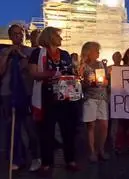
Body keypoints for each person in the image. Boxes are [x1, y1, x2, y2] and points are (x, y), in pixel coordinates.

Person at [29, 27, 81, 175]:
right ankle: (46, 163)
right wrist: (52, 74)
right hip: (47, 98)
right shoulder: (37, 53)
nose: (61, 38)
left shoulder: (64, 54)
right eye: (58, 35)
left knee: (69, 131)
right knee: (46, 132)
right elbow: (34, 73)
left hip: (66, 97)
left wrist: (74, 75)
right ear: (50, 36)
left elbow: (70, 72)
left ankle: (70, 160)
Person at [0, 24, 41, 171]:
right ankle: (18, 156)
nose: (19, 36)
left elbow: (31, 69)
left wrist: (23, 57)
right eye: (16, 34)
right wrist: (7, 55)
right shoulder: (4, 51)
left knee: (30, 126)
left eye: (21, 33)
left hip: (27, 92)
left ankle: (36, 156)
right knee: (13, 127)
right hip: (8, 92)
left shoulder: (30, 51)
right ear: (10, 36)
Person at [80, 42, 109, 162]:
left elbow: (106, 81)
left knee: (104, 125)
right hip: (90, 98)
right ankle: (92, 152)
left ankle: (101, 149)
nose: (98, 52)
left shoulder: (100, 64)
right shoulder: (83, 66)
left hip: (102, 97)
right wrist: (86, 83)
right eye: (96, 50)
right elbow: (79, 82)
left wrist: (104, 82)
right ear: (89, 52)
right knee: (91, 125)